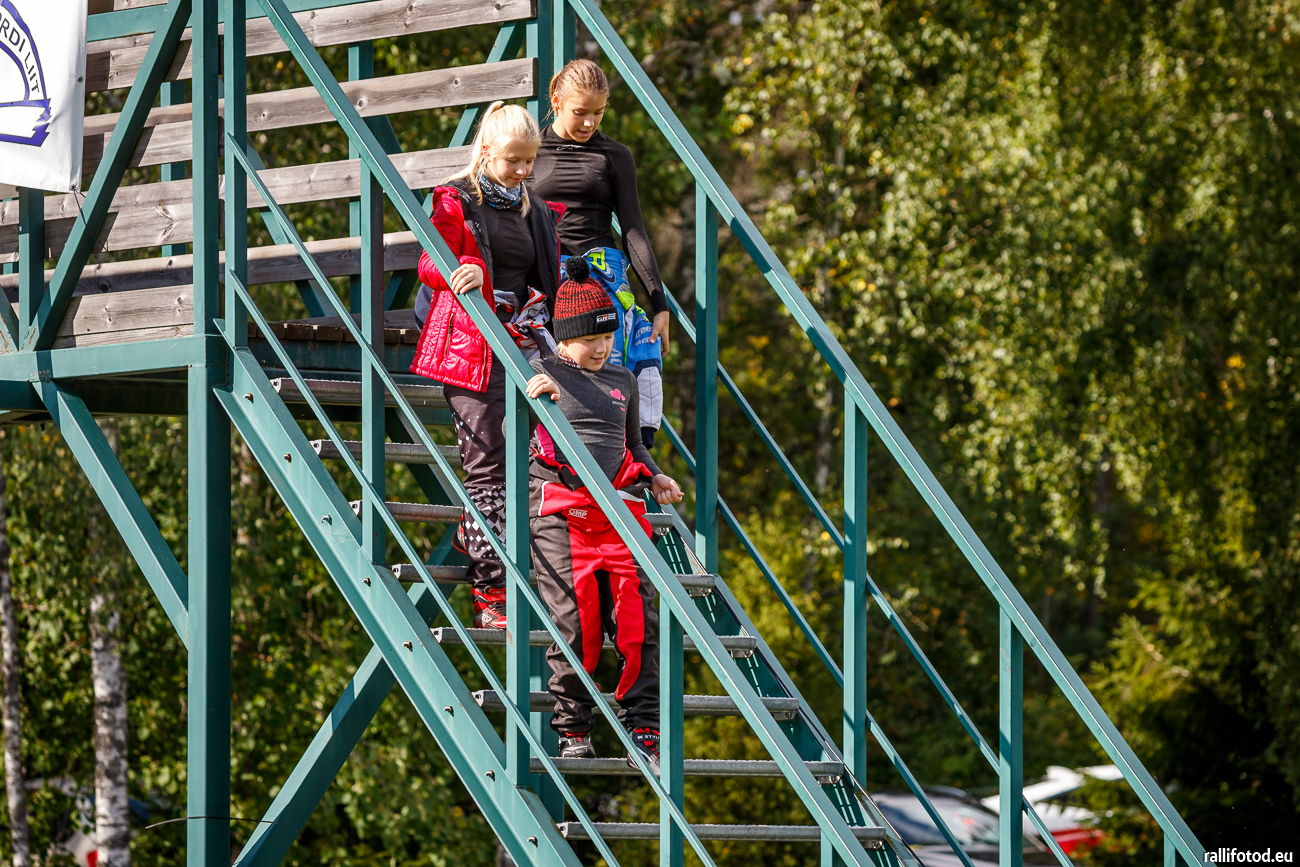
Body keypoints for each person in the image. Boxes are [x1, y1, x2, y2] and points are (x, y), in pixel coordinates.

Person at [524, 257, 684, 776]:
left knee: (639, 621)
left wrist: (655, 475)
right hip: (562, 510)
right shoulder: (542, 371)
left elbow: (633, 442)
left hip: (617, 511)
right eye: (590, 339)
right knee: (575, 622)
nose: (601, 348)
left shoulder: (623, 379)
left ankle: (643, 725)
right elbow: (512, 430)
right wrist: (536, 401)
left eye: (609, 337)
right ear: (564, 339)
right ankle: (573, 726)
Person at [410, 101, 564, 630]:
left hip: (524, 340)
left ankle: (475, 534)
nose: (522, 171)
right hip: (470, 345)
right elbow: (431, 261)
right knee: (488, 471)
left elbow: (548, 281)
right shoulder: (455, 200)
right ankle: (490, 592)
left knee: (545, 456)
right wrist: (469, 267)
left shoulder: (535, 209)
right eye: (512, 160)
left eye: (529, 161)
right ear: (486, 151)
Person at [528, 58, 669, 451]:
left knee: (610, 368)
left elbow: (634, 230)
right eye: (580, 112)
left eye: (599, 112)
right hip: (547, 275)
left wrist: (659, 304)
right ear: (556, 101)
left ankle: (624, 458)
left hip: (601, 277)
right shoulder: (532, 150)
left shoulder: (614, 155)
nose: (589, 123)